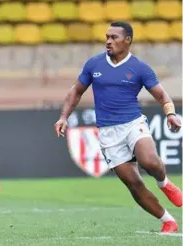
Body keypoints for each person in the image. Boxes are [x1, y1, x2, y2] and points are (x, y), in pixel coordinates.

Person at [54, 21, 182, 233]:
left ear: (127, 40)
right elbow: (76, 91)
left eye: (114, 37)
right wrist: (63, 117)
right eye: (107, 37)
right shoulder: (94, 64)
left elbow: (161, 95)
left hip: (133, 123)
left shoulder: (140, 68)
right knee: (134, 184)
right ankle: (167, 220)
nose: (108, 41)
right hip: (107, 132)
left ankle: (164, 183)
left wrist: (170, 114)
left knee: (149, 161)